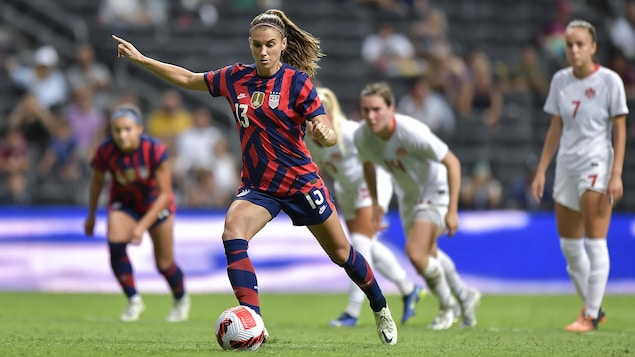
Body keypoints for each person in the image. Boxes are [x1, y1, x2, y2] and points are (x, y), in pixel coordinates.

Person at [112, 8, 398, 345]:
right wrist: (143, 59)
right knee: (233, 232)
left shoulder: (298, 83)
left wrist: (323, 132)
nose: (263, 52)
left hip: (300, 182)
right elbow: (189, 79)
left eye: (270, 45)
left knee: (341, 254)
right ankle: (255, 322)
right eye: (257, 45)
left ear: (283, 44)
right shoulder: (235, 77)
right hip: (259, 186)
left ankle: (380, 307)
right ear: (250, 45)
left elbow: (328, 130)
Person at [354, 82, 481, 330]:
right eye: (366, 110)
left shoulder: (410, 132)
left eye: (377, 109)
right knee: (429, 254)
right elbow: (368, 164)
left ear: (391, 108)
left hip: (435, 191)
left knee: (415, 253)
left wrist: (453, 210)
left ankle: (448, 306)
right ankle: (465, 296)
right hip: (409, 197)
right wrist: (378, 202)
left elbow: (452, 162)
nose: (371, 116)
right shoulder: (363, 136)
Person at [531, 19, 628, 332]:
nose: (574, 50)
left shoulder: (610, 81)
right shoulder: (560, 80)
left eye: (580, 44)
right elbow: (556, 126)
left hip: (596, 164)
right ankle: (594, 308)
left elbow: (620, 130)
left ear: (593, 47)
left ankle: (588, 314)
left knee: (595, 242)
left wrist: (616, 174)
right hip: (567, 166)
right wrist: (542, 169)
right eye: (569, 44)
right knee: (570, 247)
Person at [305, 87, 424, 327]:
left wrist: (379, 198)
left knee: (359, 246)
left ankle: (352, 311)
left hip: (370, 184)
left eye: (323, 109)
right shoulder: (310, 138)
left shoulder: (348, 131)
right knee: (367, 246)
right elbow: (321, 167)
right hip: (346, 191)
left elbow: (375, 156)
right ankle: (408, 287)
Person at [84, 104, 190, 323]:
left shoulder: (154, 150)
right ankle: (134, 300)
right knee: (115, 243)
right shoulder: (105, 151)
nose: (122, 135)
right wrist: (91, 215)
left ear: (139, 129)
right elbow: (96, 184)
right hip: (125, 204)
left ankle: (181, 299)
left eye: (127, 129)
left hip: (156, 205)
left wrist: (141, 227)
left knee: (164, 264)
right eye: (117, 130)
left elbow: (165, 195)